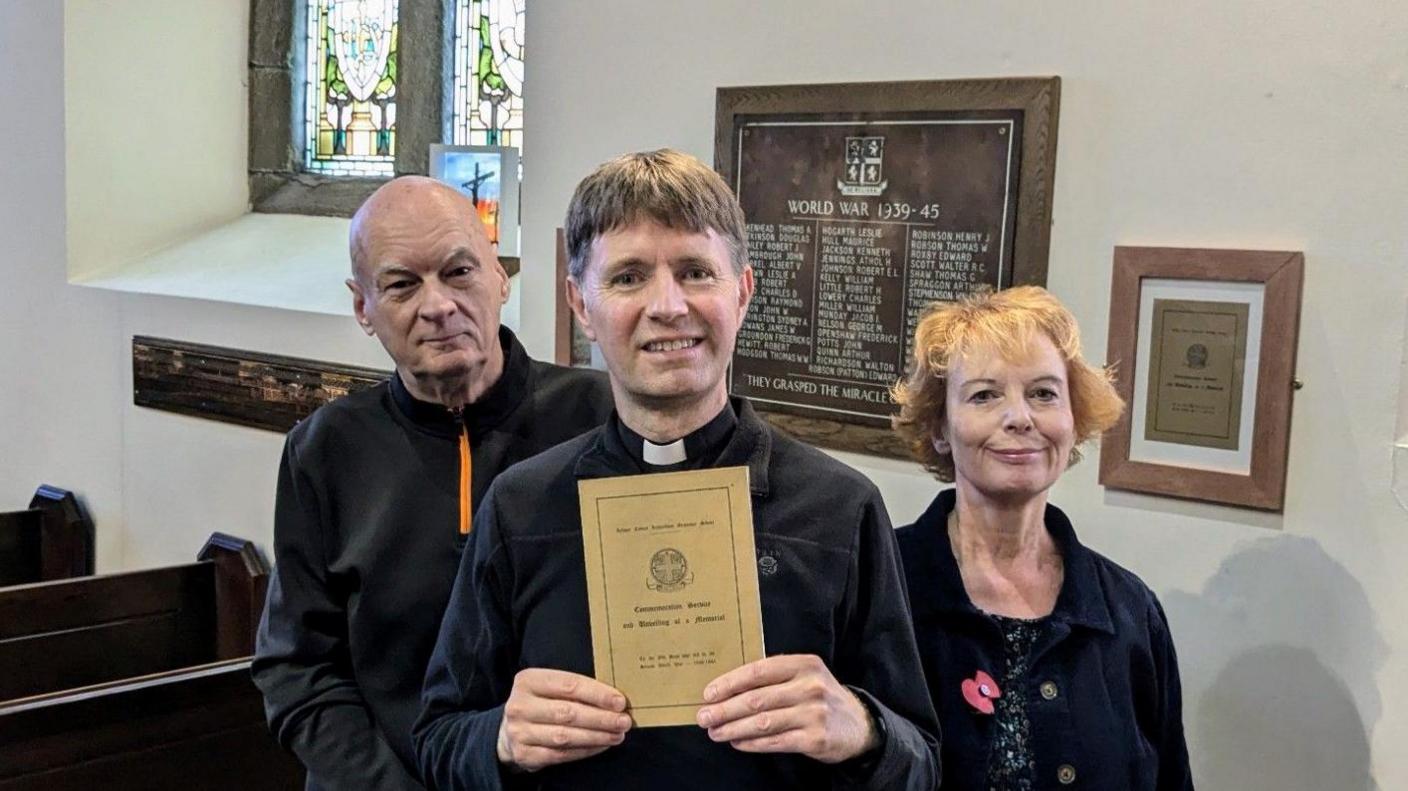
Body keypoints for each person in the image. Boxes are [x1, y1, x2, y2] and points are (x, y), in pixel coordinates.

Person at [413, 149, 940, 790]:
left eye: (695, 272)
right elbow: (438, 739)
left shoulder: (840, 507)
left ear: (741, 293)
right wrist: (497, 737)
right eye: (629, 277)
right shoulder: (521, 506)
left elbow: (922, 763)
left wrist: (863, 728)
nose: (667, 305)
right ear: (581, 304)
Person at [252, 176, 614, 791]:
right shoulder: (325, 450)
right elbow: (299, 668)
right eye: (401, 284)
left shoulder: (602, 418)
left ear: (500, 276)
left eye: (458, 271)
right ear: (363, 307)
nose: (438, 305)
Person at [890, 286, 1193, 790]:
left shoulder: (1130, 612)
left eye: (1044, 393)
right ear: (940, 426)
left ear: (1073, 421)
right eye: (985, 395)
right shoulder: (880, 589)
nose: (1019, 417)